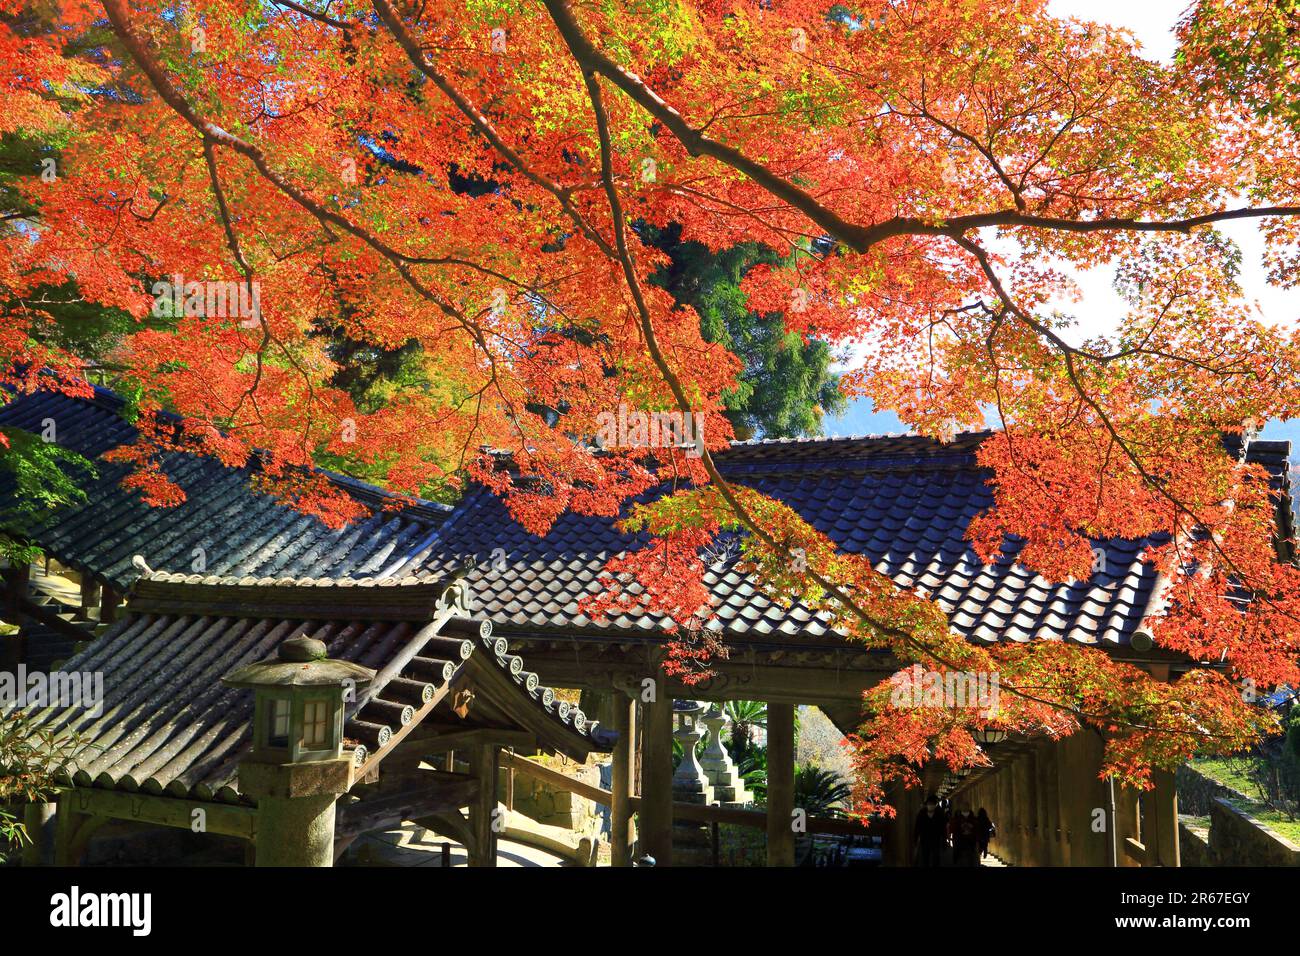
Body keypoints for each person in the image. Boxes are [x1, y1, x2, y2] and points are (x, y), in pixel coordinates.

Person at [913, 793, 947, 867]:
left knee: (936, 858)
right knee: (925, 857)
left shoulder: (939, 814)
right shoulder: (921, 814)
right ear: (927, 805)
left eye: (932, 804)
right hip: (925, 839)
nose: (930, 806)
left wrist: (944, 839)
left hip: (936, 839)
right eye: (929, 804)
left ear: (935, 805)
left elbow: (943, 828)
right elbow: (917, 827)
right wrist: (915, 838)